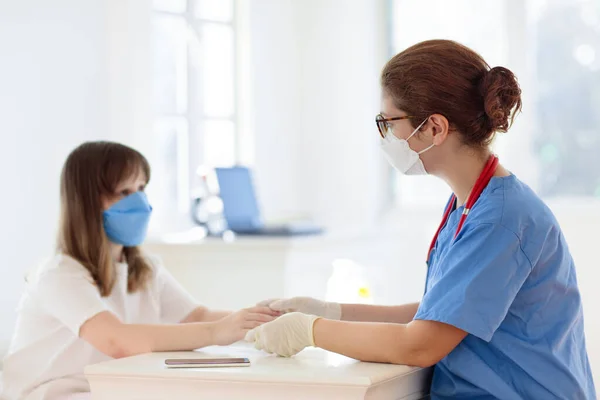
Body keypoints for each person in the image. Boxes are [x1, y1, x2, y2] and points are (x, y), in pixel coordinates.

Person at [247, 40, 596, 399]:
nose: (385, 137)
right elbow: (441, 314)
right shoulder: (468, 204)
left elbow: (421, 344)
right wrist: (331, 311)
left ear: (434, 128)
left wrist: (311, 330)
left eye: (388, 122)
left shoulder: (501, 220)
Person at [0, 141, 278, 400]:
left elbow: (197, 316)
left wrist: (268, 319)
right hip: (51, 394)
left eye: (141, 188)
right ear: (86, 203)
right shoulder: (59, 275)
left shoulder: (145, 270)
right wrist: (217, 332)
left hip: (108, 390)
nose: (140, 202)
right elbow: (116, 340)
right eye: (124, 192)